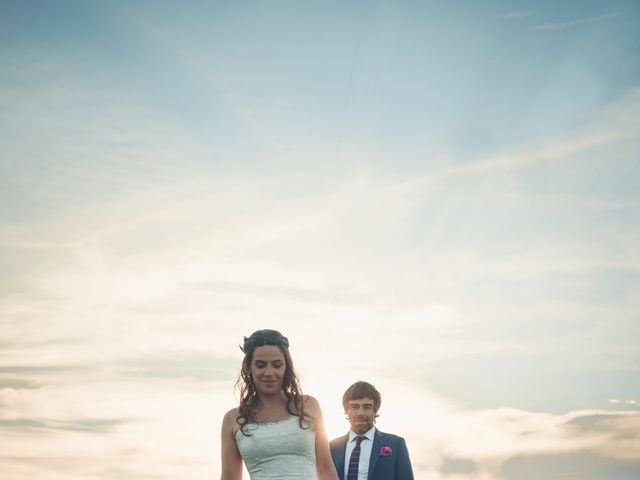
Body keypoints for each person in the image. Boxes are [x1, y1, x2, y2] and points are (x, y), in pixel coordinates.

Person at [220, 329, 339, 480]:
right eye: (261, 365)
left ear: (286, 367)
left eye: (276, 365)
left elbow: (325, 468)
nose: (269, 372)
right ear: (249, 368)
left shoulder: (309, 406)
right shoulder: (233, 419)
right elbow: (230, 477)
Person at [329, 381, 414, 480]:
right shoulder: (331, 448)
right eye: (355, 406)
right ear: (347, 409)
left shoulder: (396, 444)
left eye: (367, 407)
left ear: (375, 409)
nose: (360, 413)